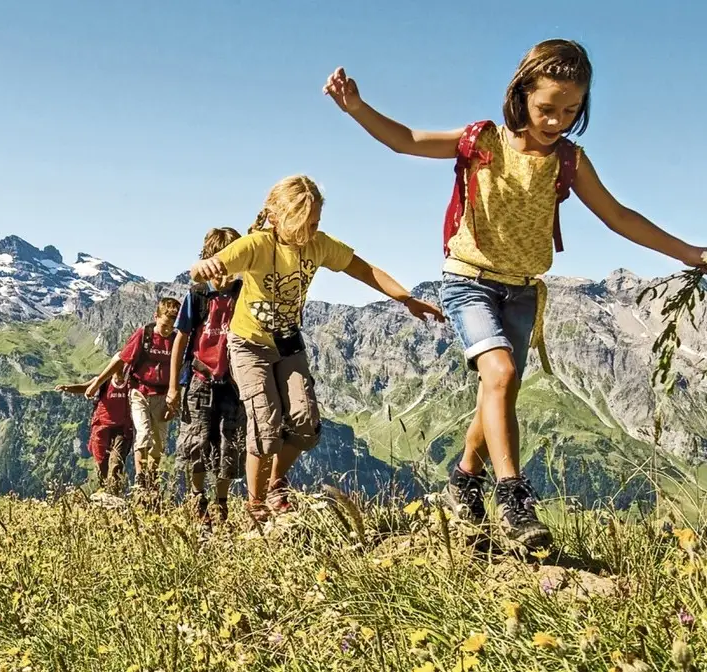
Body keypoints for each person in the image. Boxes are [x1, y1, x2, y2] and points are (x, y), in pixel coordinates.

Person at [323, 39, 707, 548]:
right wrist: (357, 107)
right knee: (501, 374)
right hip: (468, 279)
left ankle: (464, 481)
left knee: (497, 393)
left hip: (524, 291)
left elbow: (618, 217)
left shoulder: (569, 161)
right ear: (521, 95)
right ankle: (513, 497)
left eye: (571, 110)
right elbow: (406, 140)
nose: (557, 120)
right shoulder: (483, 141)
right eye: (546, 108)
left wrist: (687, 252)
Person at [192, 175, 444, 524]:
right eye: (305, 224)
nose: (312, 231)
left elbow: (364, 269)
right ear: (277, 217)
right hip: (248, 345)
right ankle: (256, 506)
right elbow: (207, 266)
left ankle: (277, 483)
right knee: (265, 425)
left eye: (316, 223)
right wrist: (204, 267)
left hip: (288, 342)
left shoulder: (319, 245)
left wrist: (407, 299)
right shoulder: (255, 245)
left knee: (305, 424)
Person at [167, 227, 246, 526]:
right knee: (195, 442)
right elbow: (180, 339)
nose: (226, 272)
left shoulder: (243, 295)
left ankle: (221, 504)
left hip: (232, 383)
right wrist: (174, 386)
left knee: (230, 444)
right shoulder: (198, 295)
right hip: (200, 379)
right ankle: (197, 499)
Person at [67, 298, 181, 498]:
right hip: (140, 392)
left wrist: (175, 397)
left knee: (159, 442)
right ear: (156, 317)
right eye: (164, 325)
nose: (167, 330)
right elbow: (120, 359)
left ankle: (151, 479)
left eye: (171, 326)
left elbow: (181, 369)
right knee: (143, 433)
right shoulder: (144, 335)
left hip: (163, 396)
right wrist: (97, 382)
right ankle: (140, 478)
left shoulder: (176, 339)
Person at [58, 372, 134, 495]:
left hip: (122, 428)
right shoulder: (103, 380)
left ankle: (114, 493)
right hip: (102, 427)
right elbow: (86, 388)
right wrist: (67, 388)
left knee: (116, 462)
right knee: (102, 463)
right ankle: (105, 491)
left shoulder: (131, 381)